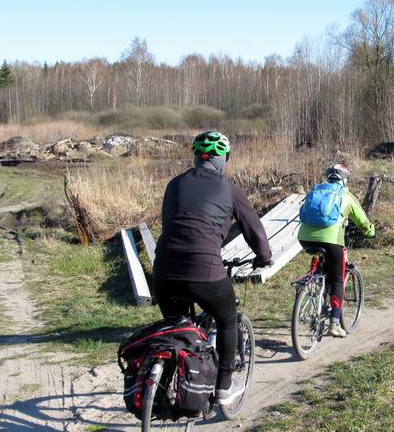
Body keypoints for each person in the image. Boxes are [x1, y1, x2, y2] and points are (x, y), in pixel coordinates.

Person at [152, 131, 273, 405]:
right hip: (203, 270)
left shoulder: (174, 184)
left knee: (176, 330)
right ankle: (223, 386)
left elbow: (171, 222)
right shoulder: (229, 188)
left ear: (196, 157)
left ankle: (163, 387)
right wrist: (264, 257)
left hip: (163, 272)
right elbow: (253, 229)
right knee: (227, 318)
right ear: (224, 159)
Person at [298, 164, 375, 338]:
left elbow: (302, 213)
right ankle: (334, 322)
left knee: (319, 257)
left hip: (304, 237)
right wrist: (370, 231)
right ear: (345, 180)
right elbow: (362, 220)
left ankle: (313, 278)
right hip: (332, 240)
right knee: (338, 279)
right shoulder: (345, 195)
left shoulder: (315, 191)